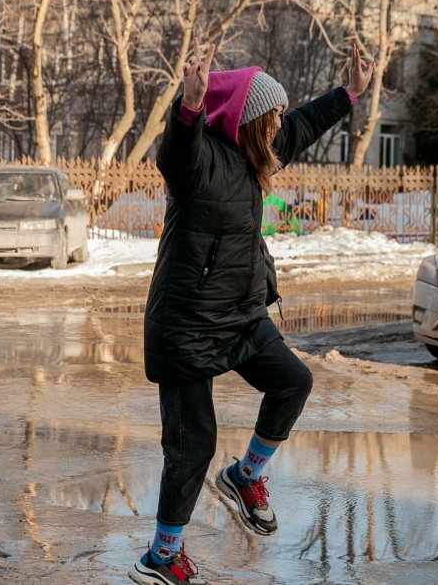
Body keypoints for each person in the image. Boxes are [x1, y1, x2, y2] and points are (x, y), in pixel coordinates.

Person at [130, 40, 373, 585]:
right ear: (248, 118)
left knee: (293, 381)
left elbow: (307, 123)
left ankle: (245, 476)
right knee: (193, 445)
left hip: (241, 315)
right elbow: (174, 151)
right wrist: (188, 106)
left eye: (281, 114)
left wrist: (350, 93)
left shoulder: (259, 149)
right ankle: (162, 556)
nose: (281, 123)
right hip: (186, 327)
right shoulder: (199, 163)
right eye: (273, 114)